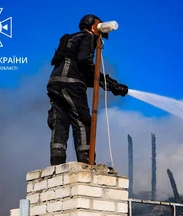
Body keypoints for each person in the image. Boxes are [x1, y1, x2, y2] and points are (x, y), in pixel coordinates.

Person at [47, 14, 128, 166]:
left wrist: (110, 84)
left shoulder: (70, 38)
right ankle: (85, 161)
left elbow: (82, 71)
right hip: (72, 84)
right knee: (82, 119)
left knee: (60, 120)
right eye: (100, 32)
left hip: (55, 83)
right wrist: (111, 84)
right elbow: (85, 64)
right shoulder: (88, 37)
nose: (101, 38)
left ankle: (56, 161)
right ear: (93, 27)